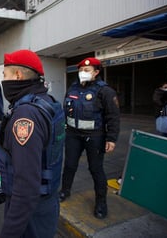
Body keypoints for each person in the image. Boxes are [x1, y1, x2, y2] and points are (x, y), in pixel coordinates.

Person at [0, 49, 64, 238]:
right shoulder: (47, 101)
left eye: (5, 75)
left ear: (17, 75)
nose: (3, 80)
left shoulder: (26, 115)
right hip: (44, 204)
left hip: (30, 211)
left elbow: (26, 186)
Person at [59, 57, 120, 219]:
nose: (82, 73)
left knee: (96, 169)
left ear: (96, 72)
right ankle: (65, 191)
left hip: (95, 136)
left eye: (87, 70)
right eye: (80, 70)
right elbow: (66, 111)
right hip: (73, 135)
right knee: (69, 165)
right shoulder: (73, 88)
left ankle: (101, 202)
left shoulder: (105, 91)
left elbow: (113, 116)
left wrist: (111, 138)